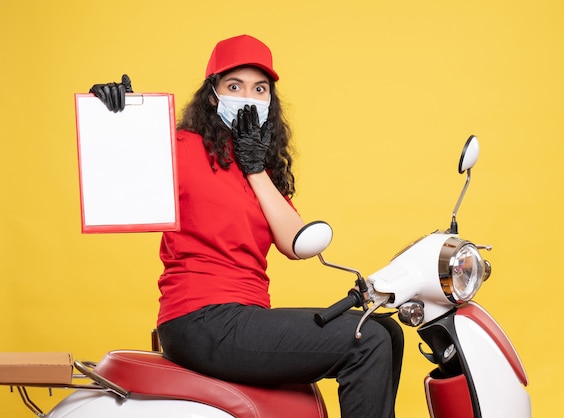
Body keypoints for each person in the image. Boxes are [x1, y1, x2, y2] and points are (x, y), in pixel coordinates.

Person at [90, 34, 404, 418]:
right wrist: (116, 120)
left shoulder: (261, 167)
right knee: (366, 340)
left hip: (245, 317)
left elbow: (294, 243)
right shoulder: (182, 146)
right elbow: (117, 183)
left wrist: (254, 168)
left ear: (270, 101)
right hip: (199, 318)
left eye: (260, 89)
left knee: (388, 331)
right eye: (234, 86)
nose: (248, 97)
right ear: (213, 95)